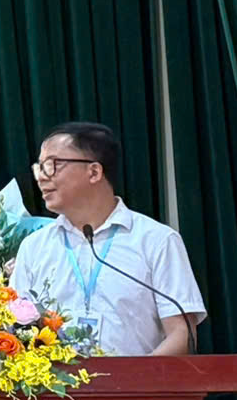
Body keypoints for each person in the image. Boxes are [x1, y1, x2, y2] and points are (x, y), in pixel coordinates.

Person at [13, 121, 207, 357]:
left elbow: (182, 334)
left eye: (53, 165)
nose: (42, 177)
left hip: (137, 380)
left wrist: (136, 377)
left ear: (94, 172)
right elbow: (14, 330)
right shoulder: (34, 247)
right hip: (53, 381)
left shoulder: (156, 240)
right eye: (39, 168)